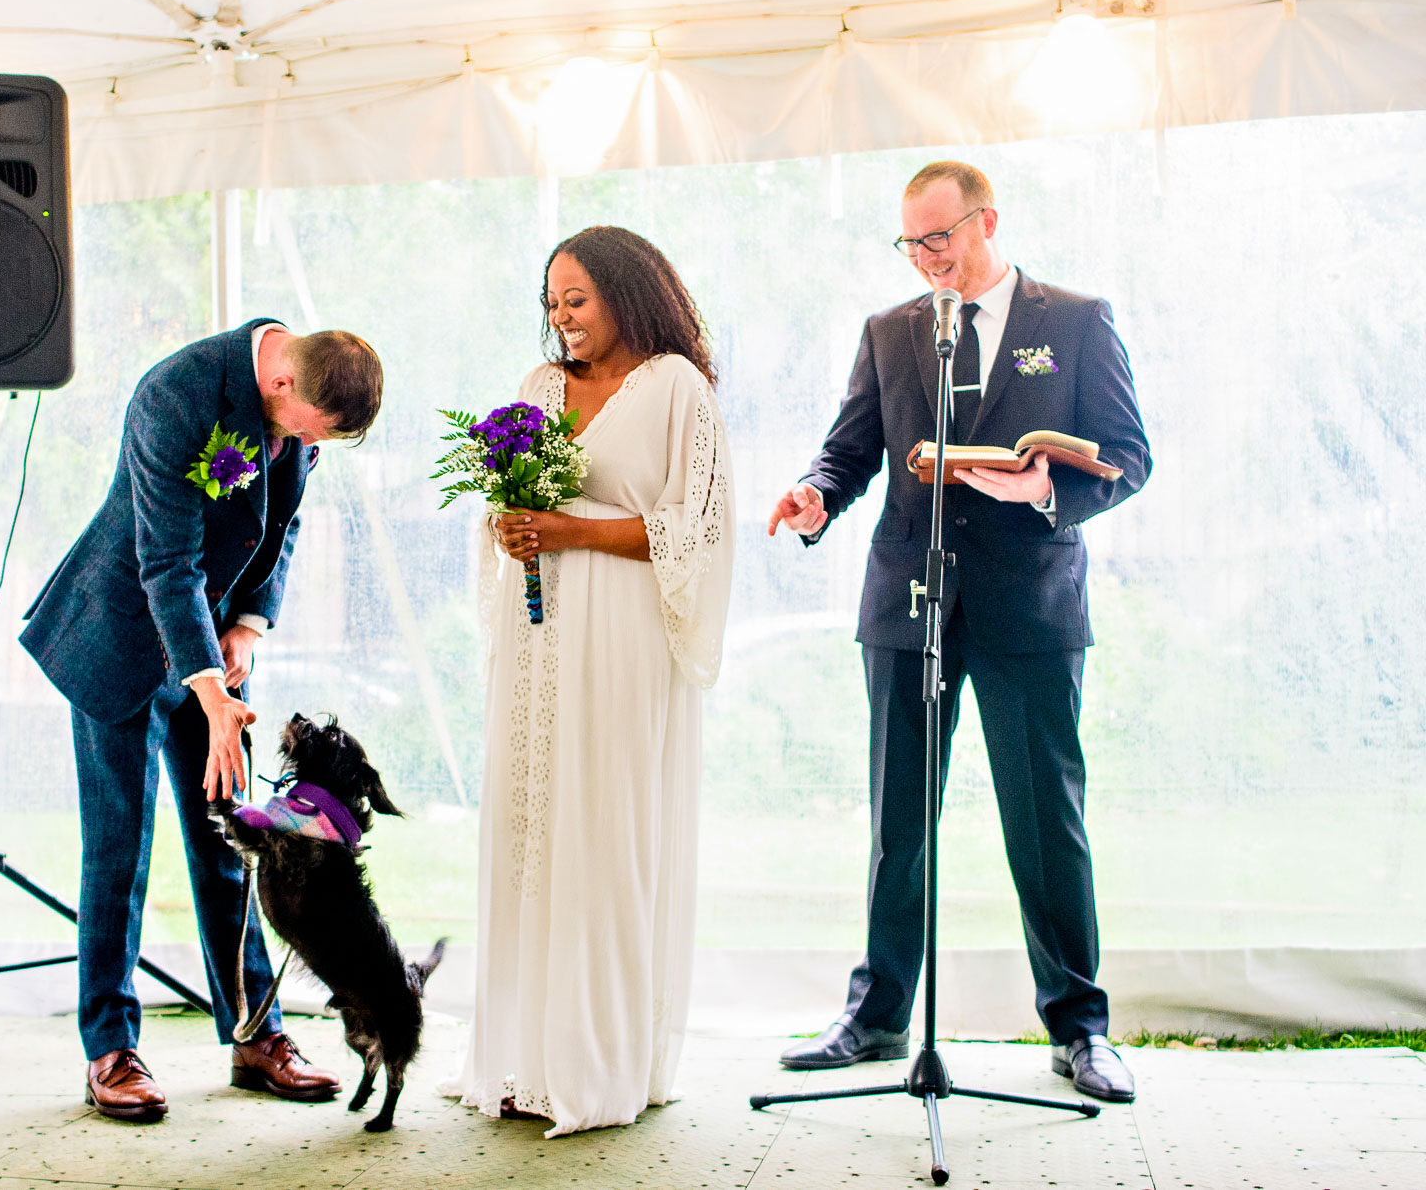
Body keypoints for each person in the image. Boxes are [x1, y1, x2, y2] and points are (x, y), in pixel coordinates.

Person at [767, 162, 1151, 1103]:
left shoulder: (1076, 319)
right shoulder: (891, 331)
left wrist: (1048, 488)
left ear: (988, 223)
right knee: (899, 822)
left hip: (1030, 608)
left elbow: (1131, 457)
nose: (926, 259)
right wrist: (816, 495)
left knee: (1044, 821)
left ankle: (1079, 1027)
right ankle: (879, 1015)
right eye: (911, 243)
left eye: (940, 239)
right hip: (908, 604)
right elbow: (852, 446)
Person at [20, 319, 383, 1121]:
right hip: (117, 639)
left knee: (234, 845)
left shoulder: (310, 389)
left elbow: (279, 528)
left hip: (212, 644)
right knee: (119, 855)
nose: (304, 445)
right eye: (308, 432)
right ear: (282, 385)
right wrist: (212, 693)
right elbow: (166, 563)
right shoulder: (175, 395)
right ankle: (110, 1050)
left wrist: (249, 626)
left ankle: (256, 1035)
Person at [441, 226, 735, 1136]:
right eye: (553, 302)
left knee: (605, 828)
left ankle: (599, 1059)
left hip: (624, 641)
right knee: (532, 828)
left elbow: (700, 528)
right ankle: (526, 1056)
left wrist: (573, 532)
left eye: (579, 299)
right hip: (539, 639)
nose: (563, 319)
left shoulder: (680, 389)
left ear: (627, 291)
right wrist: (511, 528)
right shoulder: (536, 390)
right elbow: (506, 503)